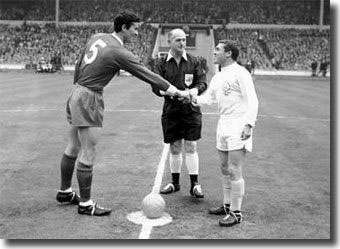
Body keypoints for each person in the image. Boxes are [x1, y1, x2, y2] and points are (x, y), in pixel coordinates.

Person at [55, 11, 189, 216]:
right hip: (89, 97)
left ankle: (65, 192)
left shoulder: (97, 37)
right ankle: (85, 204)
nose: (136, 33)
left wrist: (77, 89)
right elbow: (148, 75)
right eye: (134, 28)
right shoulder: (119, 51)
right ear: (124, 27)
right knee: (88, 152)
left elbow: (78, 64)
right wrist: (175, 91)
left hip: (77, 91)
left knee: (73, 146)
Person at [191, 40, 258, 227]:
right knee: (224, 167)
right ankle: (227, 205)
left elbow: (252, 100)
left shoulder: (241, 73)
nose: (214, 52)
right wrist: (193, 98)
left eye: (217, 50)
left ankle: (236, 213)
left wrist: (249, 124)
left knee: (235, 169)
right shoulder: (218, 76)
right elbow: (210, 98)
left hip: (238, 124)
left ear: (228, 53)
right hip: (223, 124)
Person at [151, 28, 207, 198]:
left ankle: (195, 184)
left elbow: (202, 83)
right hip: (171, 110)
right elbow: (155, 86)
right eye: (178, 40)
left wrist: (192, 93)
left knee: (191, 145)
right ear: (170, 42)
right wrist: (173, 93)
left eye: (184, 40)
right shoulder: (160, 64)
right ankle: (175, 183)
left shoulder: (194, 61)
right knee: (175, 147)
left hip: (191, 110)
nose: (183, 43)